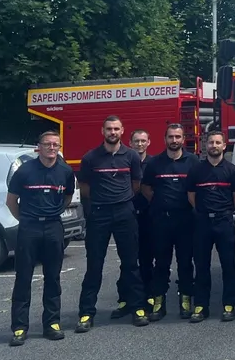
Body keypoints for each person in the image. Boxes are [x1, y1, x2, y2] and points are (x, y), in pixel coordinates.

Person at [76, 116, 150, 332]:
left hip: (124, 212)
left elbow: (136, 185)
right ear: (102, 131)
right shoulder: (90, 158)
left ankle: (137, 308)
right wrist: (102, 200)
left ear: (122, 131)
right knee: (94, 265)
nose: (112, 132)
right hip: (99, 214)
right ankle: (86, 313)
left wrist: (119, 199)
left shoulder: (132, 156)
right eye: (109, 129)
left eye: (116, 129)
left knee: (131, 263)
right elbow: (84, 187)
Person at [6, 130, 74, 346]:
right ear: (39, 147)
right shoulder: (25, 171)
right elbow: (11, 201)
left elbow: (67, 196)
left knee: (53, 277)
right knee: (23, 277)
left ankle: (52, 323)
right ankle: (19, 327)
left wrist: (52, 214)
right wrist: (27, 219)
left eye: (56, 145)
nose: (52, 148)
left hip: (53, 227)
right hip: (29, 228)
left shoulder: (65, 171)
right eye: (47, 144)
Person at [141, 124, 199, 321]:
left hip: (185, 220)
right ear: (165, 139)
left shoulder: (193, 161)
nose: (174, 141)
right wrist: (160, 203)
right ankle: (159, 303)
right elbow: (146, 188)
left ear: (183, 139)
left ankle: (185, 301)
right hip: (161, 221)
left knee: (185, 262)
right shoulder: (155, 163)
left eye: (178, 137)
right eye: (171, 137)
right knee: (161, 263)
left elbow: (197, 188)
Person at [187, 131, 235, 323]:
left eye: (218, 142)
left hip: (223, 222)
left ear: (224, 145)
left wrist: (223, 211)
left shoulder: (232, 171)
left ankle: (229, 305)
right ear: (205, 146)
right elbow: (191, 196)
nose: (214, 145)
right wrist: (203, 211)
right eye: (210, 142)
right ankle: (201, 306)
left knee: (228, 264)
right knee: (201, 266)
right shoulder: (196, 170)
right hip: (202, 223)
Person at [121, 129, 155, 309]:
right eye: (136, 141)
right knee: (128, 259)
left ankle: (148, 295)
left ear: (149, 142)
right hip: (128, 215)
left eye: (143, 141)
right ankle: (125, 299)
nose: (140, 144)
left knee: (147, 257)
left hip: (149, 216)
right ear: (130, 142)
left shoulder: (154, 163)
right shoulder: (124, 161)